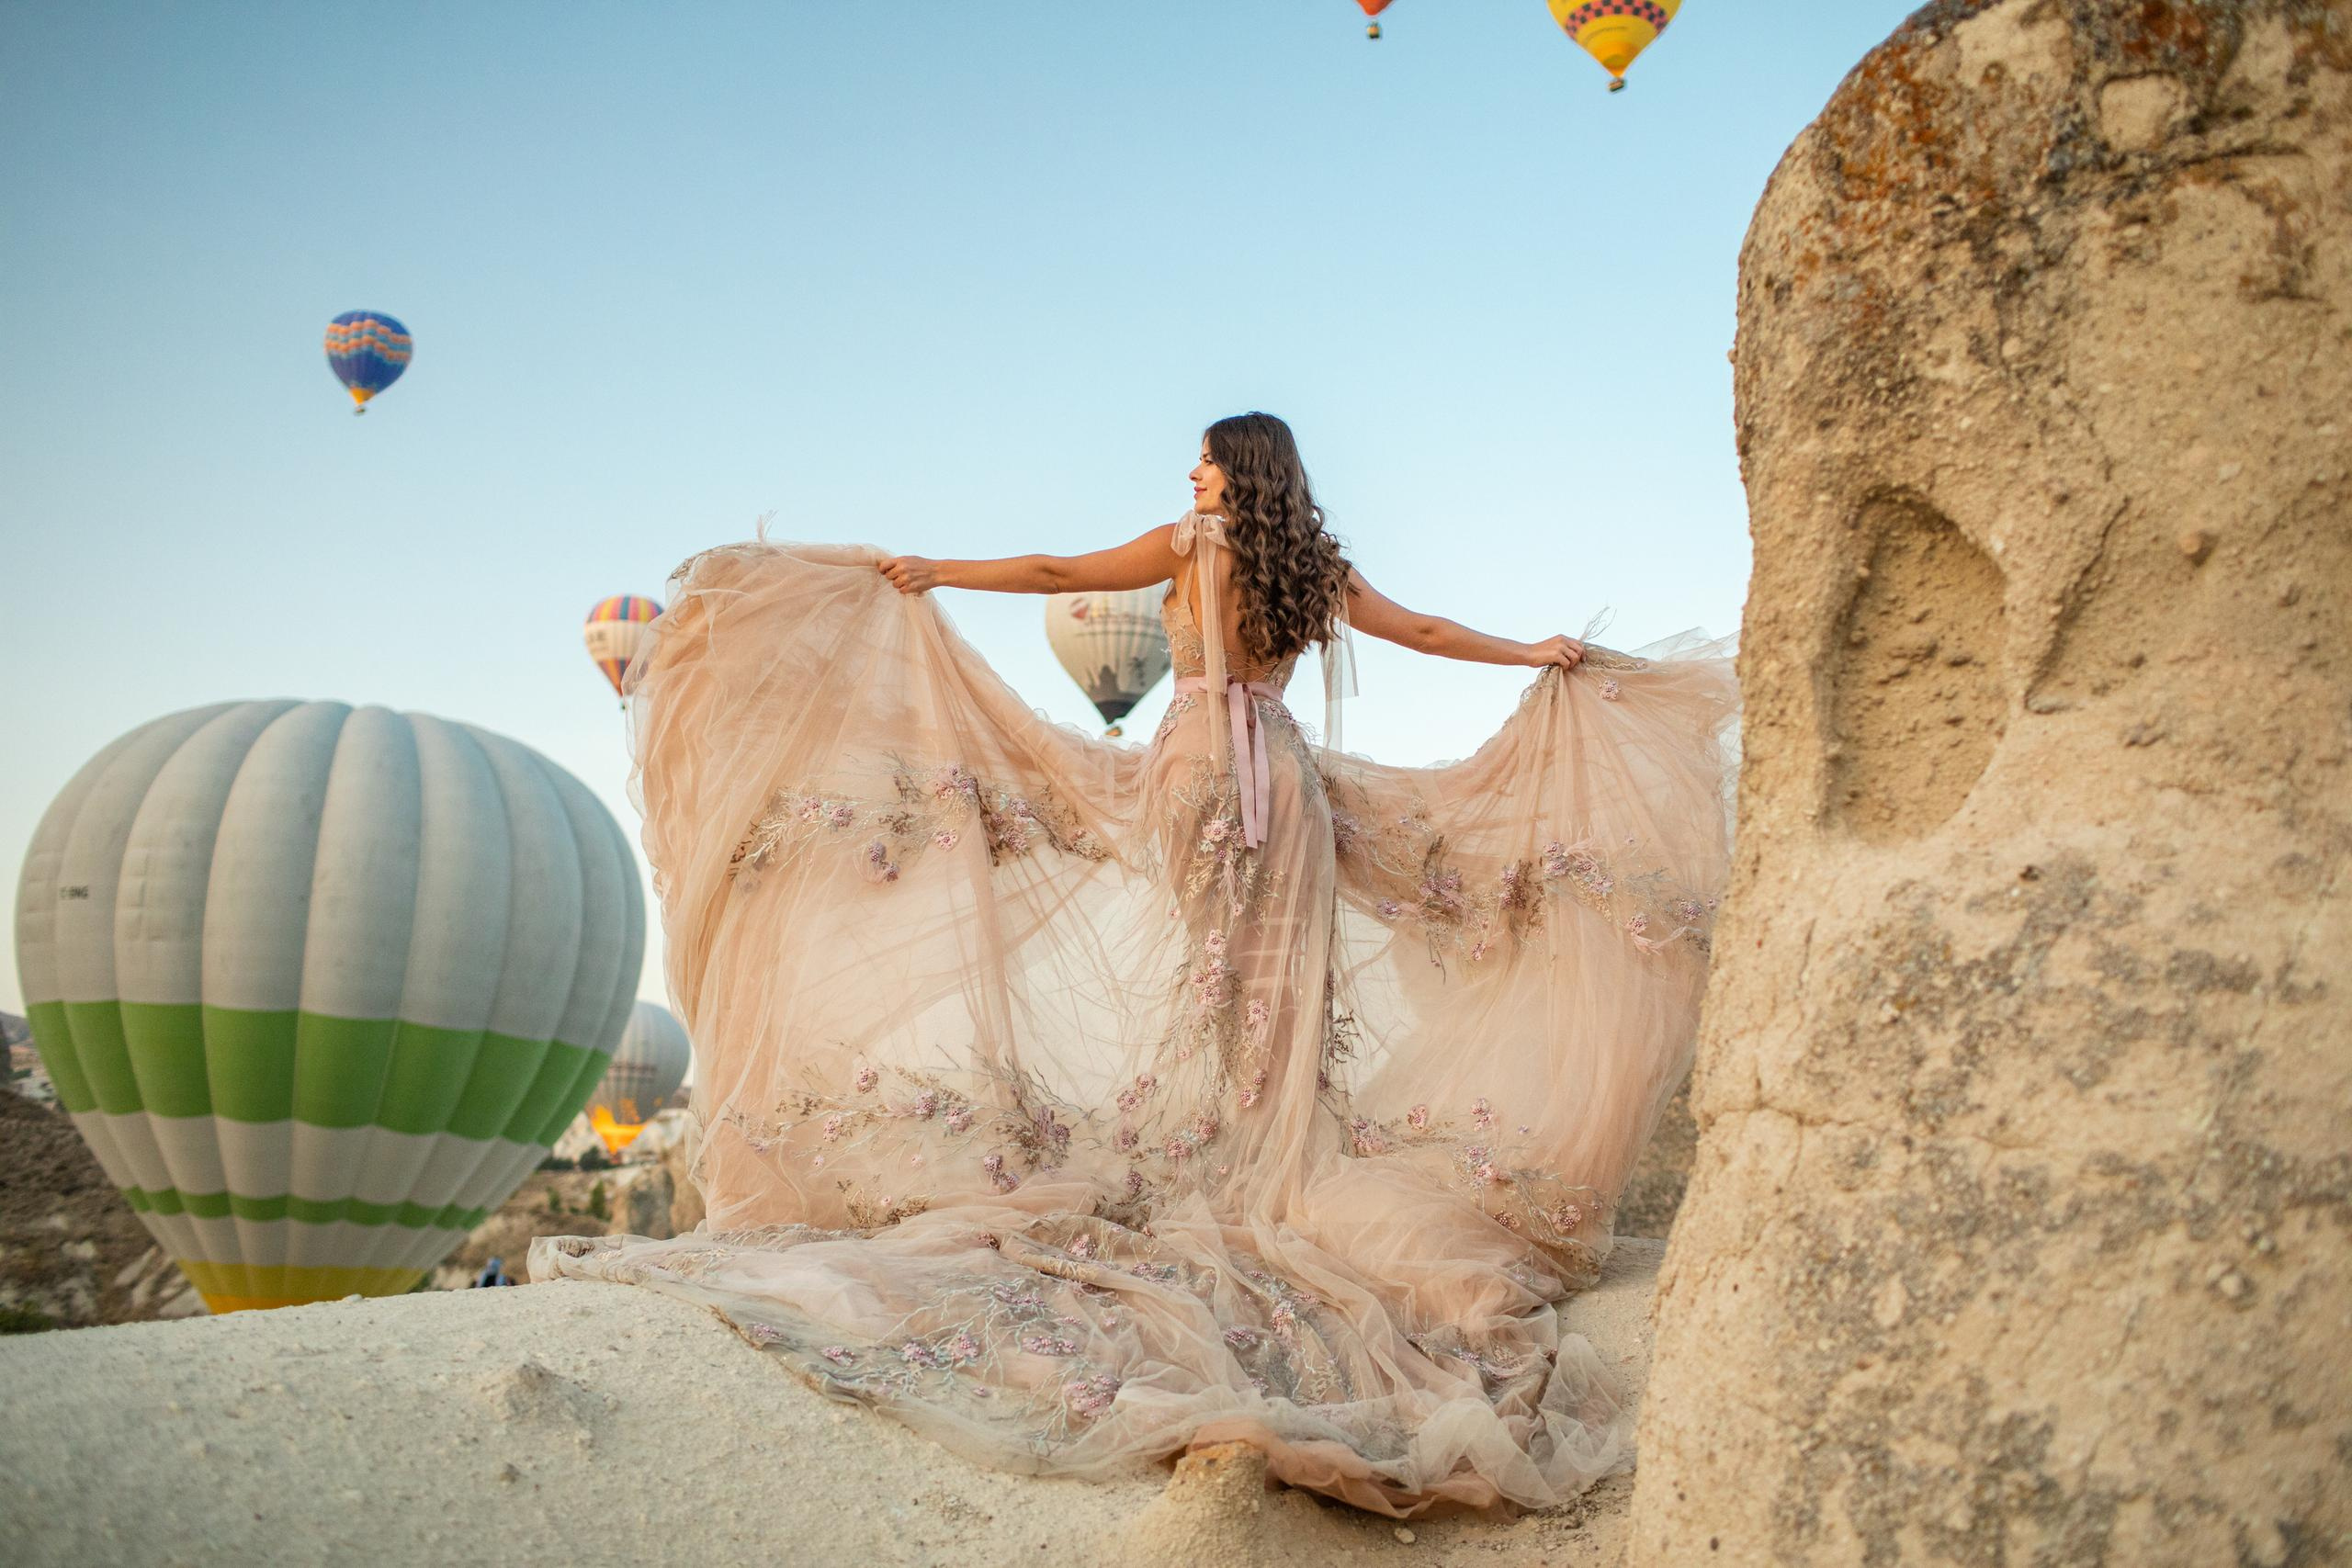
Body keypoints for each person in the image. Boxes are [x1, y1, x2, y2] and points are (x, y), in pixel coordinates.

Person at [533, 412, 1736, 1516]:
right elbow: (1419, 633)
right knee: (1276, 996)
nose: (1193, 474)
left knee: (1214, 986)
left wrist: (942, 571)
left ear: (1233, 469)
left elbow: (1060, 577)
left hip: (1201, 767)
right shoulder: (1309, 563)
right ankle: (1260, 1162)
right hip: (1284, 777)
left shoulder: (1188, 545)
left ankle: (1223, 1161)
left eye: (1205, 458)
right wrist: (1531, 651)